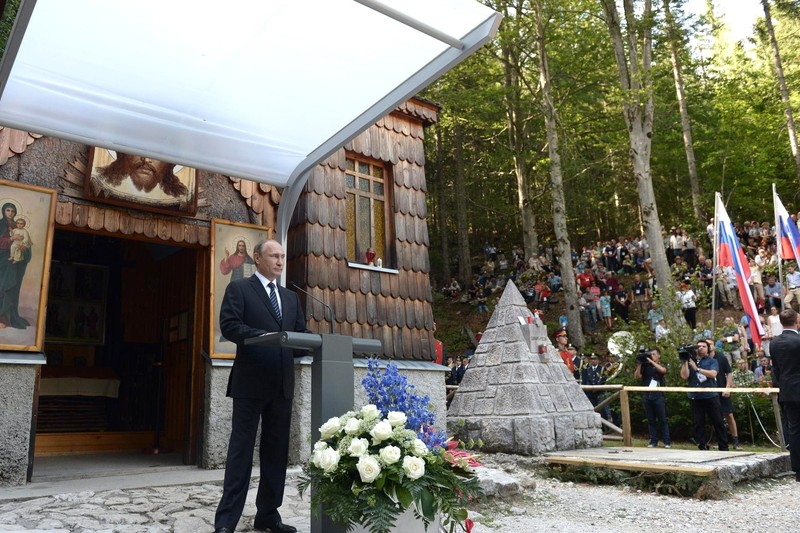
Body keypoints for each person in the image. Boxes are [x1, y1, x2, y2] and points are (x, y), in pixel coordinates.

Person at [214, 239, 308, 533]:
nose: (280, 261)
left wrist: (317, 345)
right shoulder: (240, 289)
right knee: (240, 452)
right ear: (257, 258)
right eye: (274, 256)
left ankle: (268, 515)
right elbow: (229, 325)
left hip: (281, 386)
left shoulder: (291, 298)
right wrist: (266, 335)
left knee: (276, 452)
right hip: (250, 383)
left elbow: (300, 336)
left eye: (282, 256)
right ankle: (226, 521)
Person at [766, 308, 800, 482]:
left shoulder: (774, 343)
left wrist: (781, 386)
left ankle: (798, 470)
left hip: (787, 391)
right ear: (796, 321)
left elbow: (776, 370)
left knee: (794, 430)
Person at [680, 340, 728, 451]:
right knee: (698, 423)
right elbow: (684, 376)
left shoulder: (712, 361)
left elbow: (713, 374)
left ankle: (723, 447)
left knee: (718, 422)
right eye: (698, 346)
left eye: (703, 346)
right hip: (695, 396)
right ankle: (702, 446)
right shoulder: (690, 361)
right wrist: (686, 362)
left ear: (708, 349)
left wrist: (697, 369)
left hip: (710, 395)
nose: (700, 348)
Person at [0, 202, 32, 329]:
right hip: (3, 261)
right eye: (8, 210)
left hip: (16, 261)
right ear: (3, 211)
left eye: (12, 211)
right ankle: (1, 317)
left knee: (13, 288)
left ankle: (11, 316)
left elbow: (27, 240)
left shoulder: (17, 224)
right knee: (3, 287)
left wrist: (24, 246)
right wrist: (12, 239)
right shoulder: (1, 224)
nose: (10, 213)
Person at [634, 347, 671, 448]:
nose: (652, 356)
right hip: (647, 395)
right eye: (650, 354)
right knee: (651, 420)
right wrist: (640, 363)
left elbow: (663, 371)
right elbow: (637, 377)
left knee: (662, 419)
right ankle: (653, 441)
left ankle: (667, 442)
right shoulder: (645, 366)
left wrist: (651, 361)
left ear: (659, 355)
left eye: (654, 354)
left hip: (658, 396)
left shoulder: (660, 365)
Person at [713, 341, 741, 450]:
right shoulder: (704, 359)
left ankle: (736, 441)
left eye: (710, 344)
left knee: (729, 415)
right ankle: (720, 440)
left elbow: (729, 373)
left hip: (723, 390)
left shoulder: (721, 357)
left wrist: (727, 388)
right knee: (716, 417)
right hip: (712, 392)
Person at [581, 353, 611, 422]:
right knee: (592, 409)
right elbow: (584, 381)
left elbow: (604, 379)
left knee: (602, 410)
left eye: (595, 359)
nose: (593, 361)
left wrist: (597, 387)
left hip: (599, 392)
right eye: (591, 359)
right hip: (590, 393)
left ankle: (604, 426)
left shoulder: (602, 369)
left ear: (598, 360)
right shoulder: (587, 370)